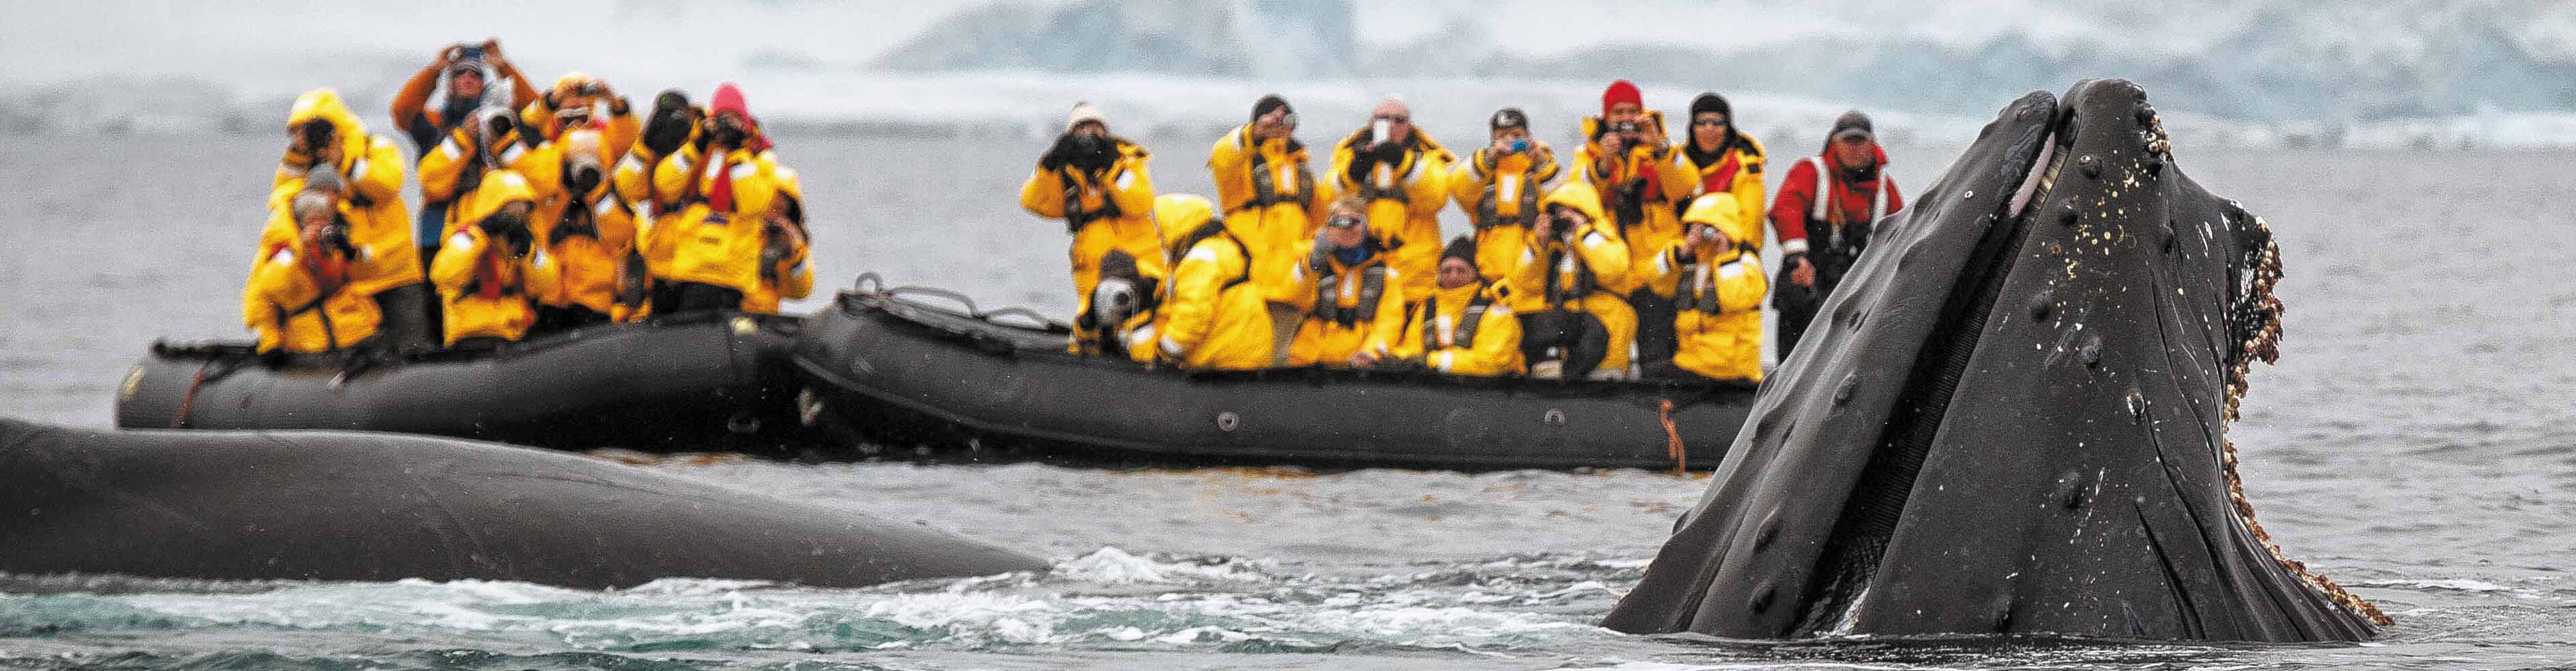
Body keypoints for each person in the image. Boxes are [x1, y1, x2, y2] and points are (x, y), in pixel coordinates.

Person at [268, 88, 433, 354]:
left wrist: (344, 161)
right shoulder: (304, 166)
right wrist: (298, 155)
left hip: (394, 272)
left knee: (412, 349)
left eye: (311, 128)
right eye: (297, 130)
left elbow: (387, 185)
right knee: (360, 353)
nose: (307, 135)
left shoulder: (375, 148)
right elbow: (283, 201)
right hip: (349, 281)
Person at [1575, 80, 1698, 373]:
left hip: (1657, 271)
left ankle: (1658, 397)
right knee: (1611, 348)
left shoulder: (1663, 148)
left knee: (1657, 355)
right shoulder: (1588, 153)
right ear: (1606, 117)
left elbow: (1686, 186)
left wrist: (1659, 146)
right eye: (1618, 113)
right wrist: (1604, 162)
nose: (1626, 119)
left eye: (1632, 111)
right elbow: (1577, 195)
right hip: (1613, 271)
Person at [1208, 94, 1334, 364]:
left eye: (1287, 119)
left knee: (1279, 365)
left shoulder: (1302, 169)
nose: (1280, 126)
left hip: (1289, 289)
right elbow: (1222, 157)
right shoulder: (1240, 165)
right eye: (1272, 120)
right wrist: (1254, 133)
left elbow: (1320, 224)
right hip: (1249, 286)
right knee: (1243, 359)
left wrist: (1306, 257)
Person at [390, 39, 537, 269]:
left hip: (489, 223)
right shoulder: (436, 123)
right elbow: (402, 111)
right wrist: (434, 70)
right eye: (460, 74)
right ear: (450, 83)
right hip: (437, 228)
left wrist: (504, 67)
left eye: (476, 75)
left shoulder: (500, 123)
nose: (468, 78)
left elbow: (536, 115)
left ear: (484, 84)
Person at [1769, 110, 1903, 358]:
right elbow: (1786, 209)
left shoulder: (1885, 190)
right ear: (1834, 142)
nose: (1854, 148)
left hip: (1855, 289)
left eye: (1860, 141)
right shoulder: (1811, 172)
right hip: (1807, 281)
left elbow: (1901, 235)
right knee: (1794, 354)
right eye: (1847, 141)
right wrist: (1797, 258)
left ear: (1872, 144)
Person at [1022, 101, 1162, 317]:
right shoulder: (1066, 169)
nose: (1089, 135)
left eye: (1095, 128)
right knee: (1093, 322)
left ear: (1105, 132)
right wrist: (1048, 167)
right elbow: (1034, 202)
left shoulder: (1126, 160)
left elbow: (1141, 203)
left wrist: (1110, 168)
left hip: (1139, 260)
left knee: (1144, 315)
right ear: (1071, 136)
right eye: (1081, 129)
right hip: (1091, 267)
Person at [653, 83, 782, 314]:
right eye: (722, 118)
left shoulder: (759, 155)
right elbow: (665, 184)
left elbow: (754, 204)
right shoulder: (700, 147)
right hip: (688, 267)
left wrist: (737, 151)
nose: (727, 125)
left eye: (734, 119)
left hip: (729, 274)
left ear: (745, 120)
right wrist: (697, 145)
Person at [1506, 183, 1634, 380]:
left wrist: (1582, 231)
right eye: (1558, 212)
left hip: (1607, 350)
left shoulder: (1607, 241)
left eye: (1571, 210)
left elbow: (1612, 269)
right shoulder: (1555, 249)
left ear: (1587, 212)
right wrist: (1539, 243)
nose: (1563, 217)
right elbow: (1524, 283)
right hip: (1568, 354)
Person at [1328, 96, 1450, 302]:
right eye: (1383, 119)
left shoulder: (1427, 156)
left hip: (1414, 274)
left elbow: (1436, 199)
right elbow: (1328, 199)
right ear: (1372, 123)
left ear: (1410, 125)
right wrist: (1354, 173)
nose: (1391, 125)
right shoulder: (1350, 153)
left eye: (1399, 120)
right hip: (1361, 268)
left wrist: (1403, 162)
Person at [243, 178, 384, 354]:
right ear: (300, 223)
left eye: (324, 220)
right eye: (312, 221)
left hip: (354, 330)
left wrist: (351, 251)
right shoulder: (283, 250)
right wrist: (271, 342)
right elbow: (267, 289)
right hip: (311, 338)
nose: (318, 227)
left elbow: (377, 271)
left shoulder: (333, 246)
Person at [517, 129, 636, 331]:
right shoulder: (549, 199)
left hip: (595, 299)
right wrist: (562, 187)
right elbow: (541, 229)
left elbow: (620, 237)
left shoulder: (612, 197)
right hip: (551, 300)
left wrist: (596, 191)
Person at [1642, 194, 1767, 384]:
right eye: (1697, 227)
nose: (1704, 234)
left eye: (1709, 227)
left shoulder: (1746, 262)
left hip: (1732, 369)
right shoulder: (1691, 259)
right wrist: (1683, 253)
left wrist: (1725, 255)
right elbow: (1655, 282)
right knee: (1650, 378)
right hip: (1691, 363)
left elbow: (1735, 299)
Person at [429, 170, 561, 348]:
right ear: (494, 206)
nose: (519, 214)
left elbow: (547, 285)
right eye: (512, 206)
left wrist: (529, 252)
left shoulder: (525, 240)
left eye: (523, 207)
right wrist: (480, 233)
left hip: (516, 331)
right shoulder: (466, 234)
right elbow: (443, 275)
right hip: (472, 333)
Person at [1154, 193, 1278, 371]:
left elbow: (1193, 312)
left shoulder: (1200, 259)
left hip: (1227, 357)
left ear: (1174, 226)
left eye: (1160, 228)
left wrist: (1166, 351)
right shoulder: (1219, 245)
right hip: (1246, 347)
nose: (1158, 235)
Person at [1288, 196, 1408, 368]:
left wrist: (1371, 352)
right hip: (1309, 360)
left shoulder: (1386, 274)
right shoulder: (1308, 258)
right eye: (1339, 223)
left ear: (1366, 226)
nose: (1347, 230)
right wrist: (1313, 262)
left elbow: (1390, 322)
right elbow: (1295, 299)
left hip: (1358, 364)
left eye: (1354, 222)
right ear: (1328, 228)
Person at [615, 89, 704, 321]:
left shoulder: (703, 141)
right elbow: (627, 187)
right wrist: (646, 146)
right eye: (665, 115)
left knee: (695, 318)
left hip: (696, 245)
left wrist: (693, 142)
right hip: (661, 251)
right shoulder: (655, 143)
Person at [1447, 107, 1560, 283]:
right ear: (1493, 140)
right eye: (1502, 136)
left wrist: (1542, 163)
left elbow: (1560, 202)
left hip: (1532, 270)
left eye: (1517, 135)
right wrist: (1488, 159)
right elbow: (1459, 191)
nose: (1510, 141)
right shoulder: (1483, 171)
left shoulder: (1540, 168)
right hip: (1487, 271)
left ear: (1528, 137)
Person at [1384, 236, 1523, 376]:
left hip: (1494, 386)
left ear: (1475, 273)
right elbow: (1412, 347)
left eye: (1461, 270)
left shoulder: (1495, 308)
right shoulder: (1428, 308)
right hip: (1442, 384)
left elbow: (1491, 361)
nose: (1453, 277)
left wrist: (1432, 361)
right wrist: (1395, 359)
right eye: (1447, 271)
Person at [1674, 92, 1767, 250]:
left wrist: (1734, 245)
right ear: (1692, 127)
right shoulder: (1677, 162)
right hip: (1683, 249)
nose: (1709, 129)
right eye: (1701, 122)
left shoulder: (1745, 166)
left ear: (1728, 128)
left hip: (1730, 247)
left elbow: (1751, 224)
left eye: (1717, 123)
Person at [517, 72, 640, 161]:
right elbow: (526, 124)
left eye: (582, 117)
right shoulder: (546, 126)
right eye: (567, 119)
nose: (575, 124)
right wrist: (553, 99)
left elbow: (626, 142)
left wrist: (614, 103)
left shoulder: (603, 131)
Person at [742, 165, 814, 315]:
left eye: (785, 198)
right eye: (775, 194)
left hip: (764, 318)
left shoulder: (791, 240)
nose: (779, 202)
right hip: (728, 309)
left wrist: (792, 257)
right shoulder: (738, 227)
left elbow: (801, 292)